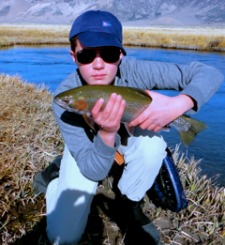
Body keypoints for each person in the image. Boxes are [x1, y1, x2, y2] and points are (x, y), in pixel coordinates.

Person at [34, 10, 224, 245]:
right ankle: (56, 183)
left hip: (128, 140)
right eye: (86, 56)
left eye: (110, 53)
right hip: (89, 150)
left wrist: (176, 106)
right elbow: (93, 171)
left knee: (153, 146)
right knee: (64, 237)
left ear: (121, 55)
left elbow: (210, 73)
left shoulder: (136, 70)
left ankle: (127, 202)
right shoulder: (65, 99)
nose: (99, 64)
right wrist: (105, 132)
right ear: (73, 56)